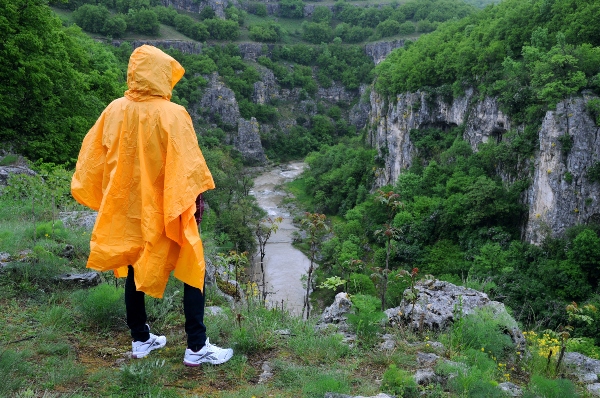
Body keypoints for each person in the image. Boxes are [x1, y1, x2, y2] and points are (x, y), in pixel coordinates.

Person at [71, 45, 233, 366]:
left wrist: (109, 196)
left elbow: (94, 157)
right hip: (169, 206)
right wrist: (195, 208)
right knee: (191, 268)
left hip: (130, 208)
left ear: (135, 73)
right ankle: (197, 346)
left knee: (135, 264)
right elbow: (188, 168)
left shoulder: (114, 109)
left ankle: (141, 339)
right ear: (160, 74)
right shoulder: (174, 114)